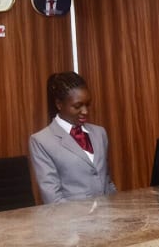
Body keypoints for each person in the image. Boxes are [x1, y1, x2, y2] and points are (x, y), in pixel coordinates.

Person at [29, 71, 116, 203]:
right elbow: (53, 198)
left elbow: (107, 181)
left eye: (87, 104)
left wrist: (116, 209)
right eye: (77, 106)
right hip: (72, 215)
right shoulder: (41, 141)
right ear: (59, 104)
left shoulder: (100, 133)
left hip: (108, 213)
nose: (85, 111)